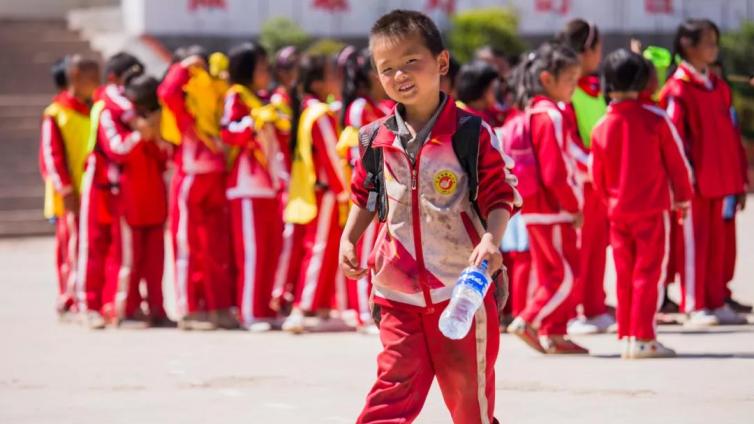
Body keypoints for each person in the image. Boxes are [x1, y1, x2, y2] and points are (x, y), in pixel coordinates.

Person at [340, 10, 519, 423]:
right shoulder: (374, 138)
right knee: (389, 395)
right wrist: (350, 238)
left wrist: (492, 240)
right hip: (396, 293)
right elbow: (364, 194)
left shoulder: (471, 133)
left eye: (410, 62)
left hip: (462, 294)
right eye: (387, 69)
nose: (400, 75)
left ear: (441, 63)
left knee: (469, 400)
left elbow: (500, 194)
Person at [591, 49, 693, 358]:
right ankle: (645, 337)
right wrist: (684, 199)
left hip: (617, 212)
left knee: (624, 273)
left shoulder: (601, 126)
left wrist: (609, 203)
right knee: (649, 274)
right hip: (651, 210)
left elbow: (597, 176)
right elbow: (678, 165)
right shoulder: (656, 118)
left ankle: (626, 336)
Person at [659, 19, 749, 326]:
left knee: (717, 246)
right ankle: (694, 303)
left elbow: (731, 134)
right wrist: (683, 179)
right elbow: (673, 139)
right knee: (694, 245)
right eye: (708, 41)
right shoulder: (678, 89)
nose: (714, 47)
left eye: (715, 40)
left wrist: (739, 177)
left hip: (721, 179)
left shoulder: (718, 86)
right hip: (695, 183)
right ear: (688, 45)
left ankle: (714, 300)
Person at [506, 42, 589, 354]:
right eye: (569, 80)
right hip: (554, 209)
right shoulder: (551, 116)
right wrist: (574, 205)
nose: (574, 87)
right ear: (546, 79)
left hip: (536, 209)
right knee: (566, 274)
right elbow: (556, 171)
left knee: (551, 272)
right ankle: (528, 320)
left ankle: (555, 333)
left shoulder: (531, 113)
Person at [158, 48, 237, 330]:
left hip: (216, 177)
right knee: (187, 246)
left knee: (217, 248)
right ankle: (190, 310)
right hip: (190, 177)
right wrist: (181, 68)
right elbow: (166, 93)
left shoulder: (219, 92)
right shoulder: (186, 108)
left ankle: (218, 308)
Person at [98, 72, 173, 327]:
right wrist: (140, 133)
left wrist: (155, 131)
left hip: (154, 199)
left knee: (155, 262)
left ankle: (156, 309)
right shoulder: (112, 117)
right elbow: (117, 150)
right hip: (129, 200)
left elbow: (167, 155)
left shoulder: (158, 123)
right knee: (128, 261)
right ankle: (125, 310)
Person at [220, 42, 286, 332]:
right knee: (253, 252)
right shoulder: (236, 96)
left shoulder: (265, 98)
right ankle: (248, 311)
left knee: (271, 249)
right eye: (260, 67)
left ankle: (264, 308)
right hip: (246, 185)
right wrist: (252, 122)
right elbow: (228, 131)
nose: (266, 72)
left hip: (269, 186)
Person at [556, 19, 615, 335]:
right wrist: (598, 167)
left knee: (597, 246)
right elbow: (570, 143)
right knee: (581, 248)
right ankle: (579, 308)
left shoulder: (595, 88)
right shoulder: (568, 92)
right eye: (598, 47)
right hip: (581, 181)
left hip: (599, 180)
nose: (601, 54)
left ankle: (595, 306)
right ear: (586, 50)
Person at [281, 53, 347, 333]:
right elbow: (333, 157)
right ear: (319, 82)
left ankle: (319, 307)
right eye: (331, 75)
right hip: (328, 193)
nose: (336, 80)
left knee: (324, 249)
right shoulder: (320, 114)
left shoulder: (308, 109)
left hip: (315, 192)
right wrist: (345, 191)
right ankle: (304, 308)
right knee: (320, 250)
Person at [77, 53, 142, 329]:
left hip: (117, 185)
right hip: (98, 182)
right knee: (93, 245)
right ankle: (87, 305)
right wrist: (140, 128)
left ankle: (113, 305)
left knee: (118, 248)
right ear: (116, 79)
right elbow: (116, 146)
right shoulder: (107, 102)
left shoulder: (125, 106)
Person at [39, 55, 99, 318]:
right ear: (75, 75)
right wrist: (65, 188)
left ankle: (88, 296)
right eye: (91, 76)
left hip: (93, 192)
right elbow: (51, 157)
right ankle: (70, 299)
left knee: (89, 248)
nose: (96, 82)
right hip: (70, 195)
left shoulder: (93, 109)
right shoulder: (55, 114)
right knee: (71, 248)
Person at [337, 47, 389, 333]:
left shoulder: (381, 106)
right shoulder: (360, 107)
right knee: (362, 248)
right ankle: (360, 312)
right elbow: (358, 153)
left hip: (382, 187)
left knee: (375, 250)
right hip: (366, 187)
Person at [455, 60, 501, 127]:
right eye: (493, 87)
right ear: (483, 90)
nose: (498, 90)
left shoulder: (491, 112)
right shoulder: (459, 115)